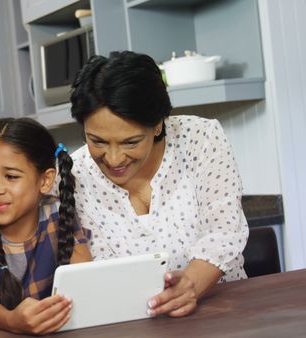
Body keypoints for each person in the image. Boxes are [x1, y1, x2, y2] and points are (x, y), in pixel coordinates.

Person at [69, 51, 249, 318]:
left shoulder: (201, 139)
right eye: (97, 141)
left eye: (130, 142)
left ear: (157, 126)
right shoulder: (74, 175)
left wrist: (190, 286)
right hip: (132, 323)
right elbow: (88, 277)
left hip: (224, 310)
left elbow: (224, 232)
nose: (114, 158)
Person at [0, 117, 93, 335]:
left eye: (11, 176)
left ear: (45, 181)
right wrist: (11, 320)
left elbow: (86, 280)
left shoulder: (59, 212)